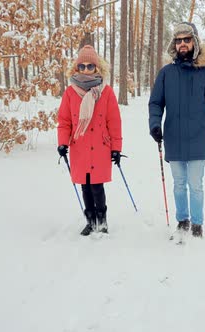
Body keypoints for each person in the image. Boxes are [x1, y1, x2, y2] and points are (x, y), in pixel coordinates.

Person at [148, 22, 205, 238]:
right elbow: (155, 103)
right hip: (173, 138)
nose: (182, 43)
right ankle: (182, 220)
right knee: (179, 185)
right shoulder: (166, 73)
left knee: (195, 185)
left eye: (187, 39)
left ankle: (197, 224)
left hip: (198, 138)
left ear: (195, 42)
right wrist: (154, 124)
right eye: (178, 40)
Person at [57, 45, 122, 236]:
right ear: (77, 68)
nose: (86, 69)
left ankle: (102, 222)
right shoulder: (70, 92)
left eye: (90, 66)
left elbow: (114, 122)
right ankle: (90, 220)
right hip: (80, 147)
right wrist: (62, 143)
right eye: (82, 66)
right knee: (85, 185)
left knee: (97, 185)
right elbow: (64, 121)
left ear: (97, 68)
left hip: (101, 147)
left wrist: (116, 148)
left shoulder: (106, 91)